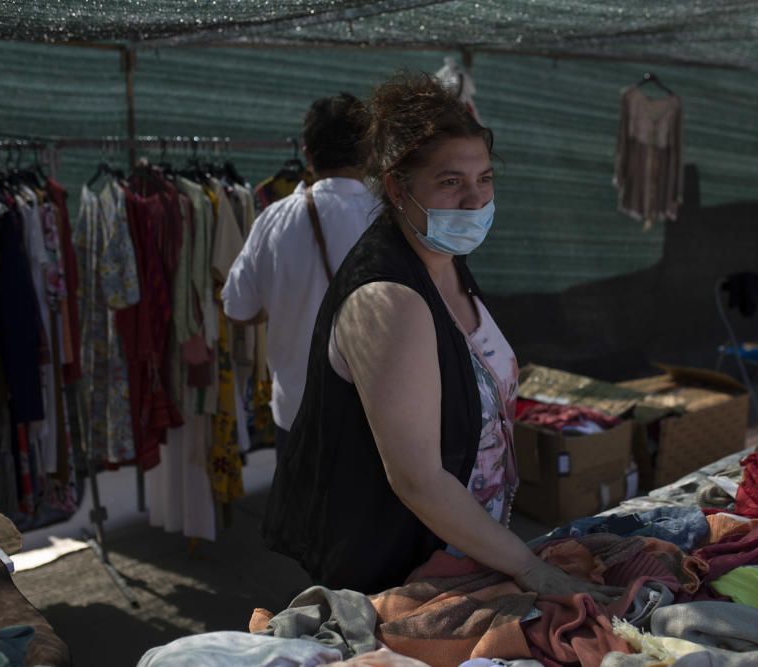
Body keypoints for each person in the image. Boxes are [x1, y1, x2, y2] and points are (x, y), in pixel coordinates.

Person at [262, 72, 622, 603]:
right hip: (400, 569)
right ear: (396, 187)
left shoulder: (446, 260)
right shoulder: (388, 299)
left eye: (485, 178)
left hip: (466, 547)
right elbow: (418, 481)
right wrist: (528, 568)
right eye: (451, 181)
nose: (475, 199)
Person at [222, 93, 377, 447]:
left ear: (307, 153)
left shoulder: (274, 219)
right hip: (374, 417)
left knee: (302, 503)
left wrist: (287, 301)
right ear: (370, 151)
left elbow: (237, 308)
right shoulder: (388, 218)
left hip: (296, 414)